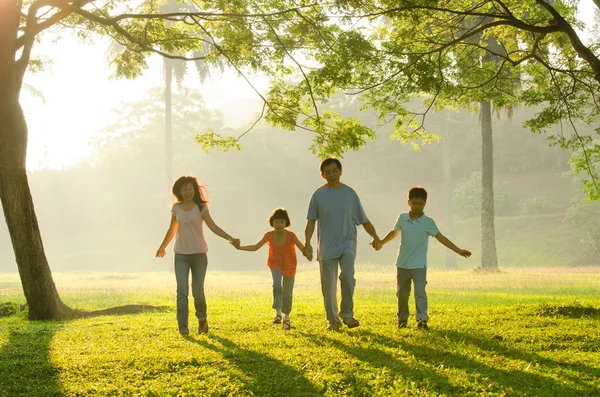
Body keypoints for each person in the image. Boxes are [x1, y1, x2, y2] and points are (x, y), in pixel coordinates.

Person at [373, 186, 471, 330]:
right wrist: (381, 242)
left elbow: (441, 238)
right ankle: (402, 319)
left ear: (425, 204)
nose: (417, 206)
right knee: (402, 293)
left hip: (419, 265)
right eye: (414, 203)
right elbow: (394, 232)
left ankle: (422, 320)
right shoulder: (403, 218)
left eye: (420, 203)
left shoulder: (428, 222)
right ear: (409, 203)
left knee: (420, 293)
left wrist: (458, 250)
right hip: (402, 264)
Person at [156, 175, 239, 336]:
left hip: (199, 254)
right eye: (184, 189)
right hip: (180, 254)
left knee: (197, 290)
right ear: (179, 191)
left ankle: (202, 319)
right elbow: (171, 230)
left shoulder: (200, 207)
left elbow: (213, 226)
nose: (188, 192)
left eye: (190, 188)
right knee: (182, 291)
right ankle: (183, 327)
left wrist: (230, 238)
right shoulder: (176, 208)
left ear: (195, 190)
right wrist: (162, 247)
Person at [304, 158, 381, 330]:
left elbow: (363, 220)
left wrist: (375, 236)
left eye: (334, 170)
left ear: (340, 171)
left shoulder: (350, 194)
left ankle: (347, 314)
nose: (331, 174)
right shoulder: (318, 195)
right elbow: (310, 221)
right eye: (327, 172)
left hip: (347, 242)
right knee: (328, 284)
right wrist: (307, 243)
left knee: (347, 277)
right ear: (322, 174)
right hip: (326, 245)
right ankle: (333, 321)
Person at [231, 208, 306, 330]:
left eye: (282, 222)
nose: (279, 224)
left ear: (286, 223)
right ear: (272, 222)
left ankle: (286, 317)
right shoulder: (269, 235)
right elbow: (255, 247)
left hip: (289, 265)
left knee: (287, 292)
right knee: (277, 285)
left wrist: (308, 252)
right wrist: (239, 247)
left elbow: (303, 248)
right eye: (276, 221)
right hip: (275, 264)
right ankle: (278, 313)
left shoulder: (291, 235)